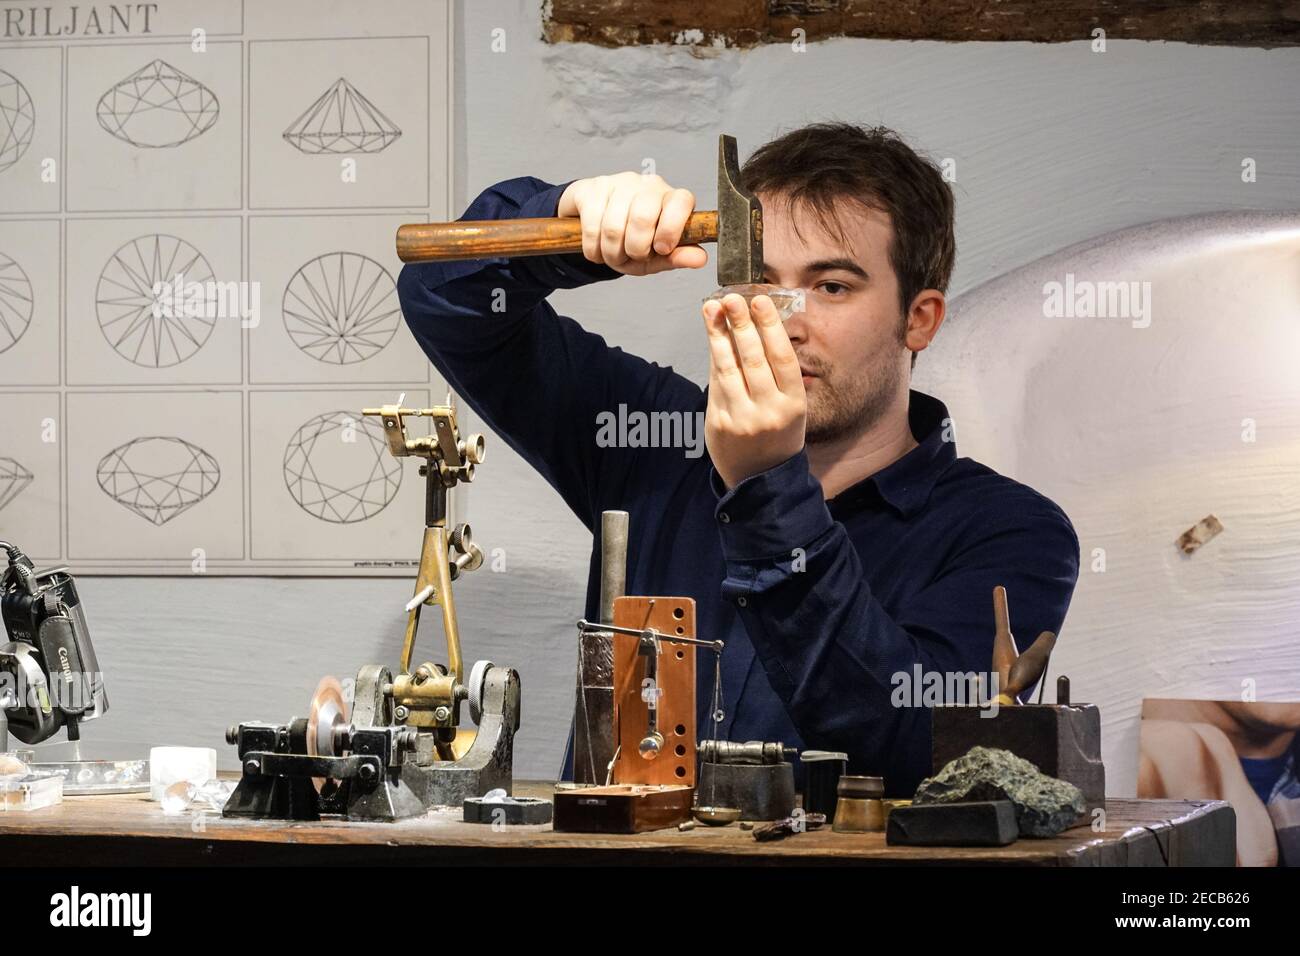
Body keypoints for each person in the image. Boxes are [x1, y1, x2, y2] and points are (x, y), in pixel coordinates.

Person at [396, 122, 1080, 795]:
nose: (784, 320)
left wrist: (765, 488)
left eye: (833, 286)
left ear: (919, 318)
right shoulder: (654, 438)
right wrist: (570, 226)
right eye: (761, 281)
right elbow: (442, 292)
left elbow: (919, 751)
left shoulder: (1015, 533)